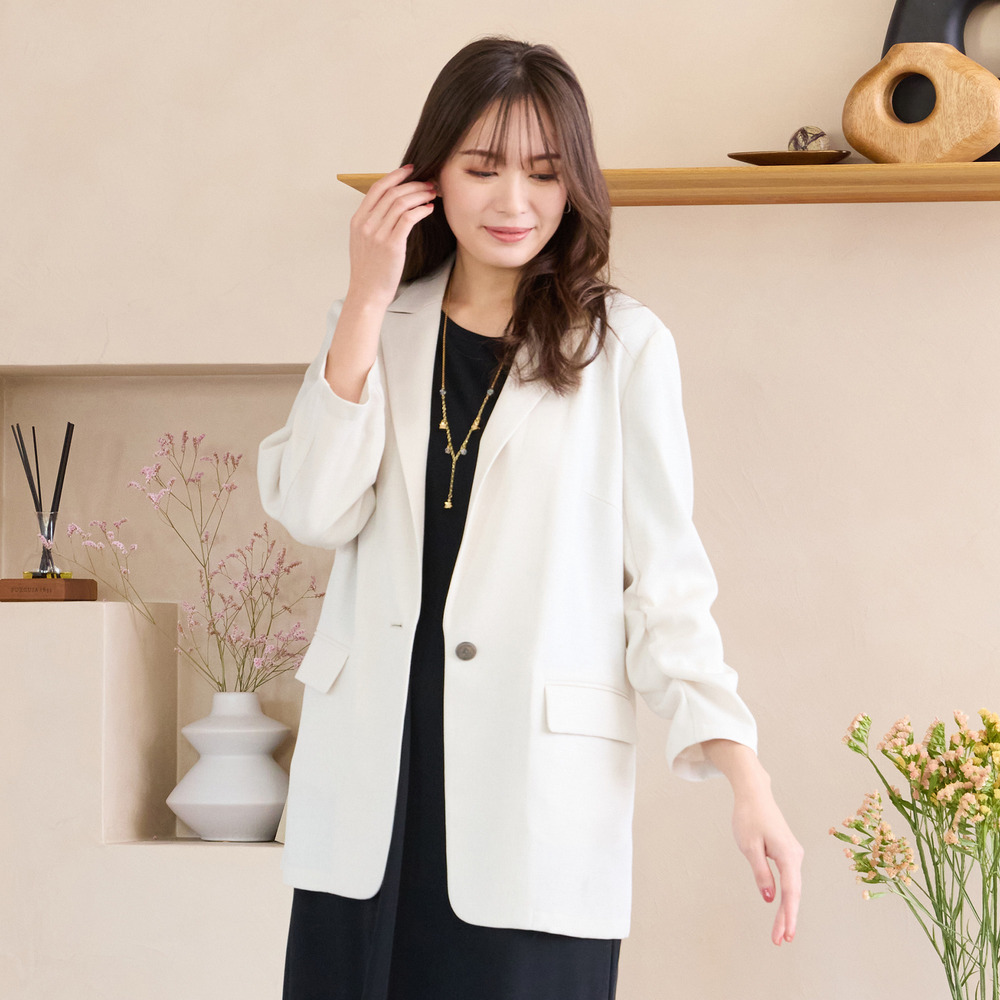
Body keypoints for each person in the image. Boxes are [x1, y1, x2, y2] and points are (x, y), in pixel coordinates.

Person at [258, 35, 803, 1000]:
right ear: (429, 176)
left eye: (545, 174)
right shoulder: (376, 326)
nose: (514, 201)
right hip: (373, 791)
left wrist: (743, 773)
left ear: (574, 185)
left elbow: (665, 588)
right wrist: (366, 295)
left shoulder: (624, 347)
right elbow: (311, 507)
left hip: (533, 800)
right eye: (482, 168)